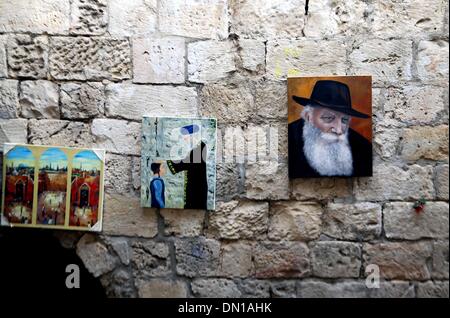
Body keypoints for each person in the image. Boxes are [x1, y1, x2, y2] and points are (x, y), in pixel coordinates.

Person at [288, 80, 372, 178]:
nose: (339, 130)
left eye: (344, 120)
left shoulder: (364, 149)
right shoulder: (289, 139)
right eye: (328, 118)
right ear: (308, 117)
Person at [167, 124, 208, 210]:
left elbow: (188, 163)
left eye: (186, 136)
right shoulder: (197, 147)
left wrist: (170, 162)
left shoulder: (199, 147)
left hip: (197, 187)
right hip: (195, 185)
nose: (184, 139)